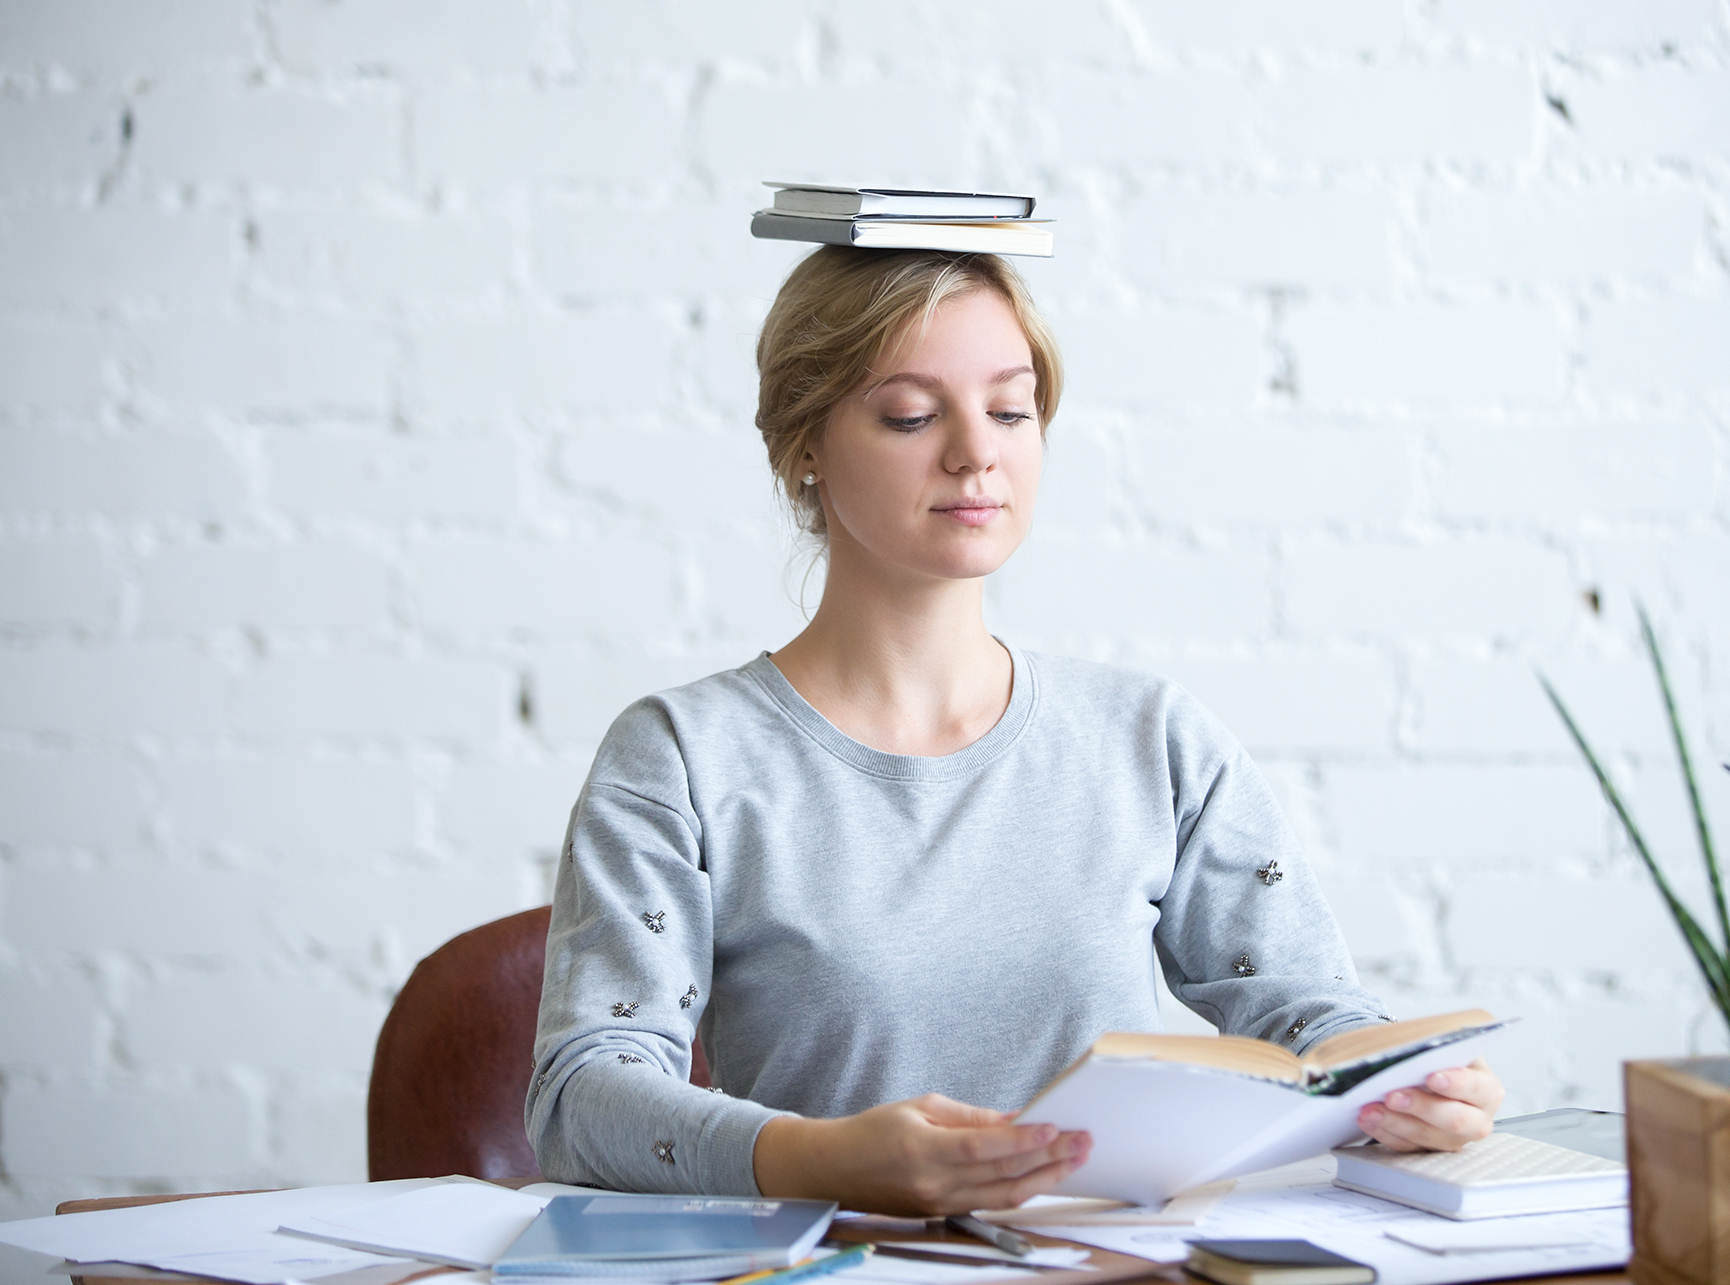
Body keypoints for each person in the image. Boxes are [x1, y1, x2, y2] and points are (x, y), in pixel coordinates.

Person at [524, 247, 1503, 1213]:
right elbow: (581, 1098)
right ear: (803, 446)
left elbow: (1309, 1020)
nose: (975, 452)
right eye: (910, 414)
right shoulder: (683, 756)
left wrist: (1404, 1089)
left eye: (1008, 409)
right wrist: (816, 1159)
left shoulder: (1149, 738)